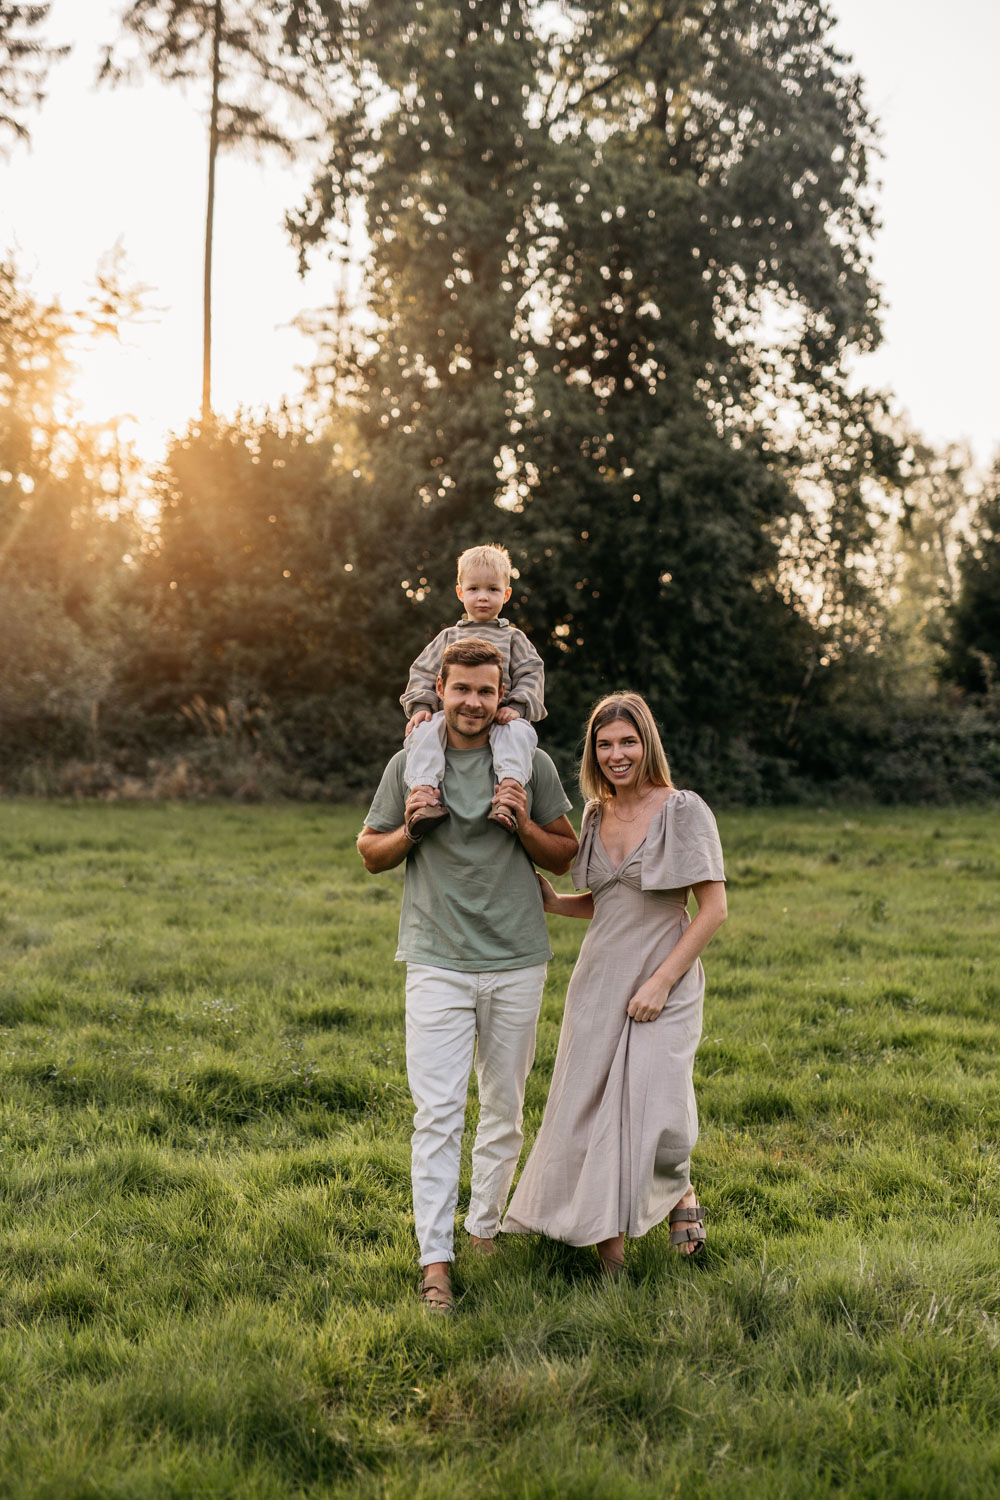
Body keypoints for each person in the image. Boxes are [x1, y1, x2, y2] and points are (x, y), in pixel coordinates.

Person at [357, 637, 578, 1313]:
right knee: (438, 1115)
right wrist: (410, 833)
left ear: (501, 693)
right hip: (436, 961)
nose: (474, 703)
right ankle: (436, 1262)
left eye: (486, 691)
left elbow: (565, 852)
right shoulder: (410, 763)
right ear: (441, 691)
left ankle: (483, 1229)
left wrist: (522, 829)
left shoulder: (529, 763)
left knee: (504, 1110)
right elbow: (370, 850)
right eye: (462, 690)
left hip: (516, 959)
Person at [502, 692, 727, 1276]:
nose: (616, 754)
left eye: (627, 742)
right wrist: (554, 903)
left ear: (646, 743)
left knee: (659, 1112)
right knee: (594, 1111)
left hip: (665, 978)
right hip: (600, 980)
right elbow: (606, 904)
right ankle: (612, 1261)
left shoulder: (683, 809)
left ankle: (678, 1190)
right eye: (604, 744)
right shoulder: (595, 814)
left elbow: (712, 910)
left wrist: (660, 982)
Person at [401, 543, 546, 836]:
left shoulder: (514, 638)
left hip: (500, 716)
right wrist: (421, 708)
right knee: (425, 733)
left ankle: (507, 796)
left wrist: (516, 707)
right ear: (460, 593)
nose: (483, 597)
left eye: (493, 589)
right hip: (454, 720)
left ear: (506, 594)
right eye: (474, 589)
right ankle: (426, 795)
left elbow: (532, 672)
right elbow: (422, 672)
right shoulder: (448, 637)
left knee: (519, 734)